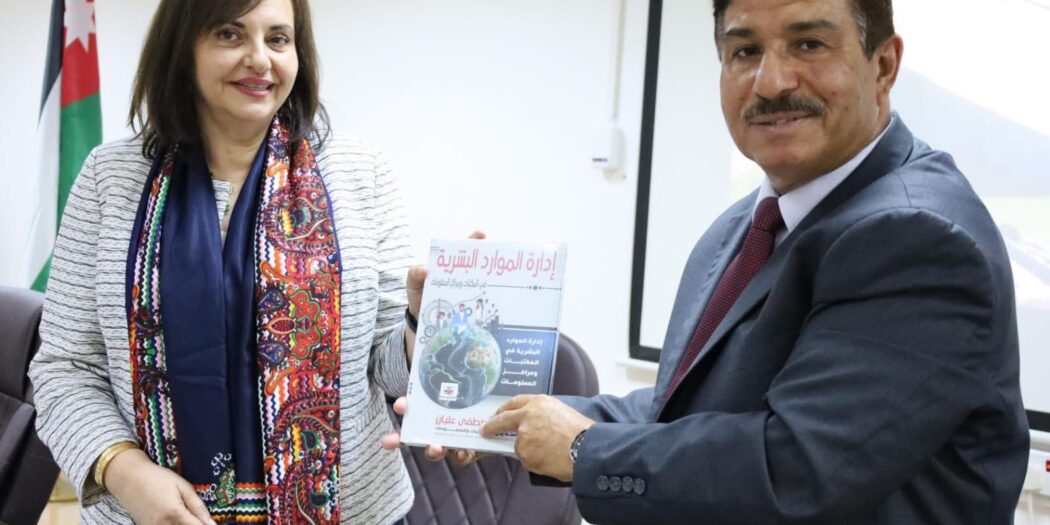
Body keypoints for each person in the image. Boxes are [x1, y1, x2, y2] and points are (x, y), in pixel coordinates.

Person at [386, 0, 1029, 523]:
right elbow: (683, 414)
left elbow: (796, 468)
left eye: (808, 44)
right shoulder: (753, 220)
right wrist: (501, 421)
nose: (771, 82)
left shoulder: (915, 236)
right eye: (745, 51)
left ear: (883, 65)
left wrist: (581, 447)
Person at [28, 1, 423, 523]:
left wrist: (421, 326)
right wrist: (123, 470)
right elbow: (65, 368)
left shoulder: (361, 172)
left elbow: (387, 369)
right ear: (182, 48)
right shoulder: (110, 177)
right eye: (230, 35)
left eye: (278, 39)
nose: (260, 59)